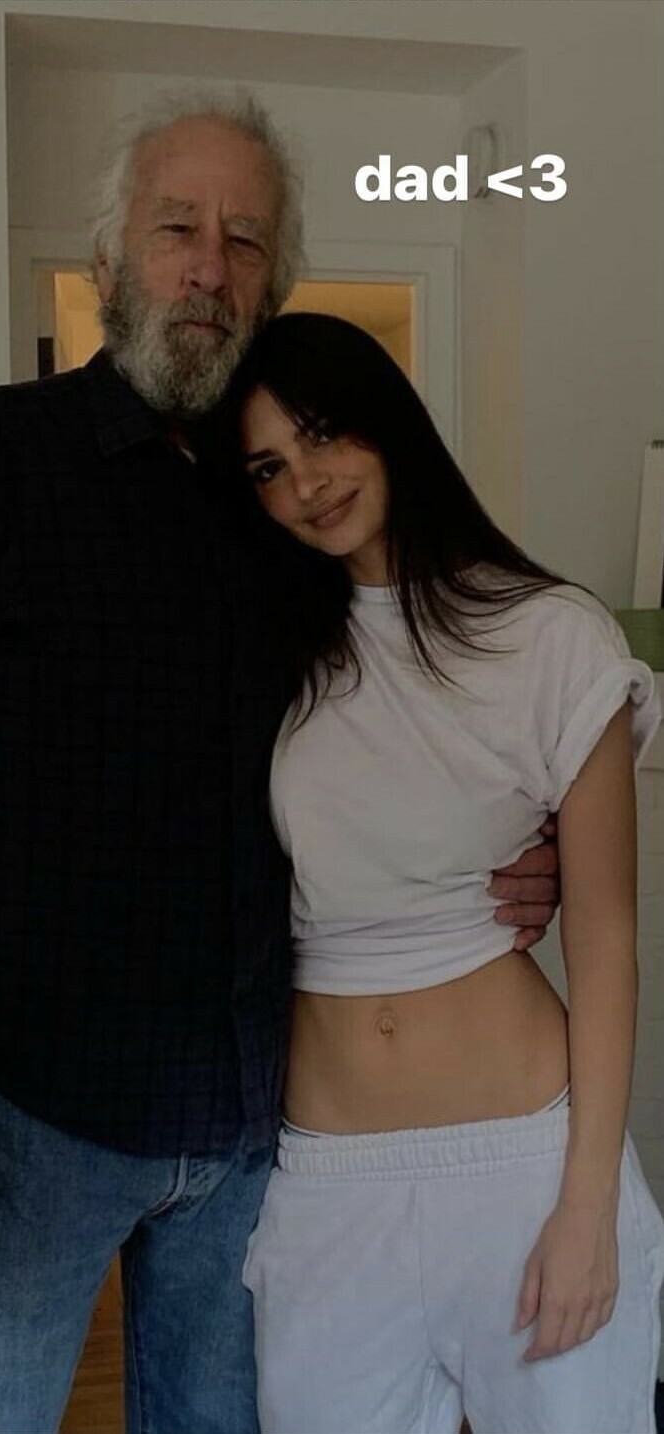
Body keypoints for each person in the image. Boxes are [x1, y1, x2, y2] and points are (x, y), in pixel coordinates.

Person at [0, 95, 558, 1434]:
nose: (208, 267)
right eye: (176, 228)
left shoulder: (294, 503)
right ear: (110, 256)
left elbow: (420, 713)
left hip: (257, 1132)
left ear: (272, 285)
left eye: (244, 239)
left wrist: (526, 838)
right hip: (20, 1124)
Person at [225, 310, 664, 1434]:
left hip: (522, 1163)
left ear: (387, 421)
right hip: (327, 1182)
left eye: (322, 434)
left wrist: (584, 1208)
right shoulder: (265, 655)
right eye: (268, 468)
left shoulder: (550, 634)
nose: (306, 484)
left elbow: (605, 937)